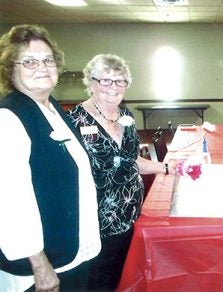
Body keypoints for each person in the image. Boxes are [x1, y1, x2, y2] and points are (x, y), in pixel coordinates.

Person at [0, 24, 101, 291]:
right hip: (39, 268)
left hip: (68, 252)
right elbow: (9, 202)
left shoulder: (52, 107)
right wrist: (40, 265)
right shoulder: (9, 118)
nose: (42, 67)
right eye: (29, 61)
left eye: (47, 59)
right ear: (11, 69)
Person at [67, 54, 174, 291]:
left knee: (125, 277)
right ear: (91, 82)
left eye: (120, 81)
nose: (113, 87)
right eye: (106, 80)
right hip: (98, 223)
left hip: (132, 214)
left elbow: (130, 160)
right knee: (98, 281)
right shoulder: (73, 120)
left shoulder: (126, 115)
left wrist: (165, 167)